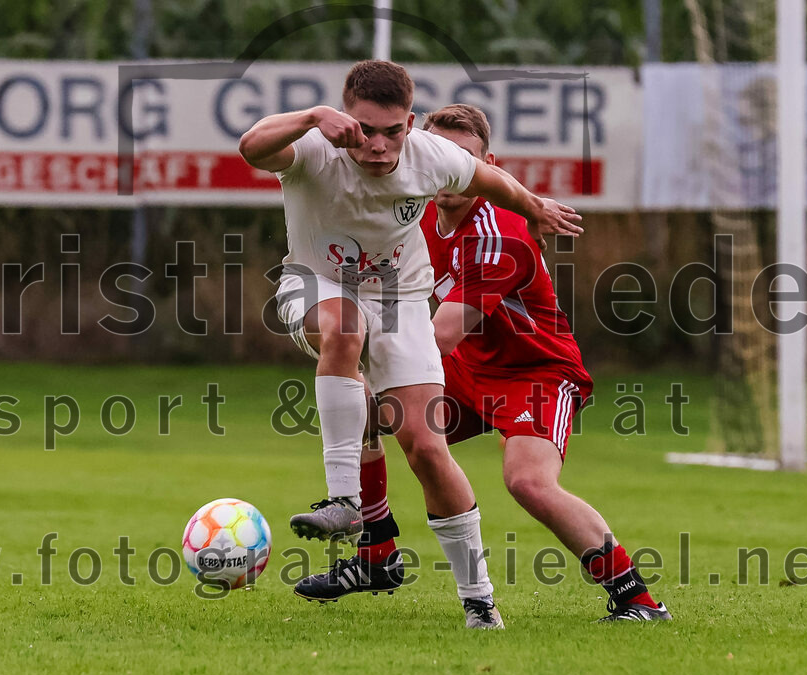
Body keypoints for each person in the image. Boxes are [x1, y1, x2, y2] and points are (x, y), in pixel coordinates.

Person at [293, 103, 671, 623]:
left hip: (534, 373)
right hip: (470, 372)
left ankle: (636, 598)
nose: (448, 169)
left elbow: (440, 335)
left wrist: (362, 344)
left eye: (463, 158)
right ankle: (376, 554)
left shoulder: (498, 234)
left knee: (528, 482)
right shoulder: (417, 211)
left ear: (485, 163)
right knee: (367, 411)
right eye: (441, 153)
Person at [239, 62, 582, 629]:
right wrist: (308, 118)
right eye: (364, 129)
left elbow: (490, 181)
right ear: (345, 117)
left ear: (411, 124)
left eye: (391, 131)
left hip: (400, 300)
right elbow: (252, 146)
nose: (377, 144)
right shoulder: (315, 149)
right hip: (315, 283)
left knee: (425, 446)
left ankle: (479, 601)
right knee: (344, 327)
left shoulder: (430, 156)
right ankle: (344, 502)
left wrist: (535, 208)